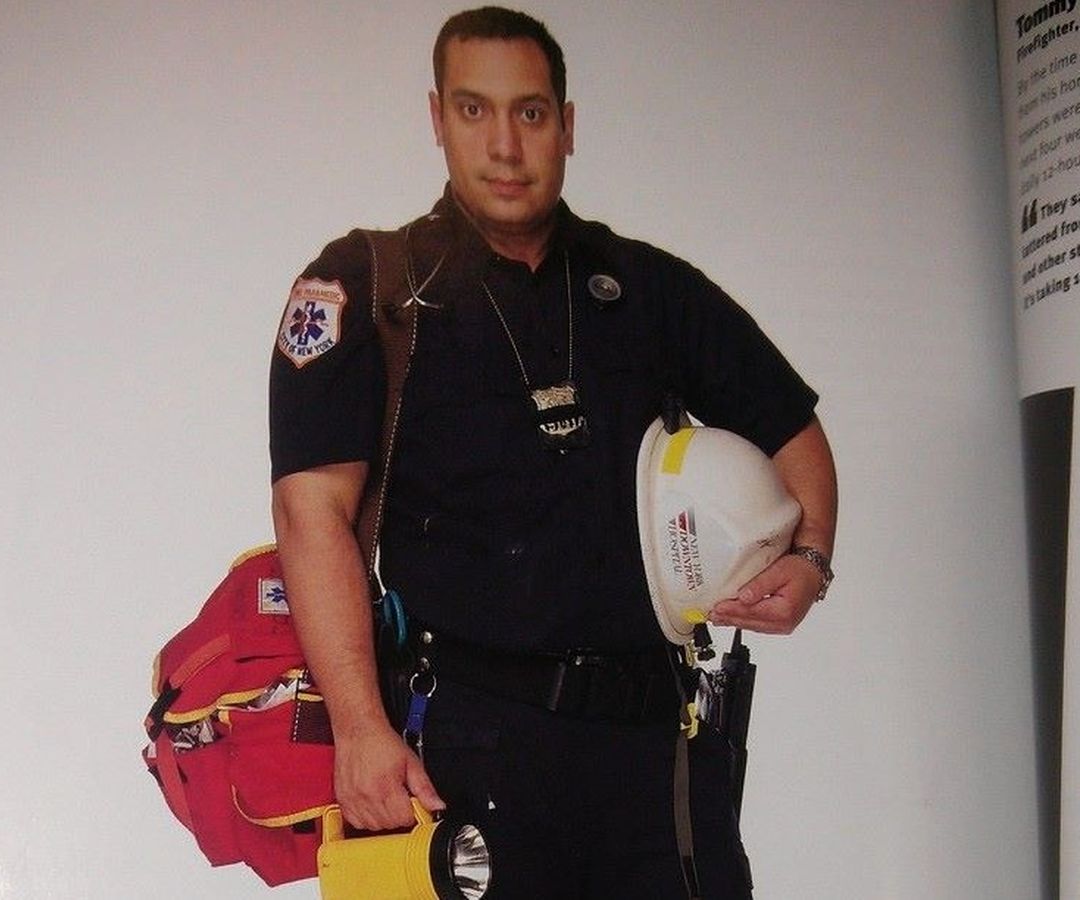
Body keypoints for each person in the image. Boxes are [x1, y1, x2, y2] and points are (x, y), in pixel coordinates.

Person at [269, 7, 837, 898]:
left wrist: (810, 560)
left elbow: (792, 429)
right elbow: (311, 514)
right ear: (437, 119)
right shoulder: (371, 288)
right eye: (474, 110)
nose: (505, 145)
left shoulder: (645, 289)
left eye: (530, 113)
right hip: (463, 752)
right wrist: (358, 727)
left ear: (567, 126)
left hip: (653, 753)